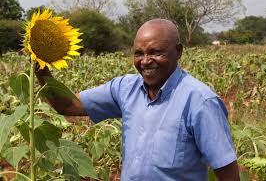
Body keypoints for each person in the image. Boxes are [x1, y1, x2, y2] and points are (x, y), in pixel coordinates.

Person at [36, 19, 240, 181]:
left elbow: (227, 172)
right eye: (138, 53)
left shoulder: (199, 101)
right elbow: (68, 105)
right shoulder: (125, 88)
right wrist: (40, 62)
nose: (145, 61)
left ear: (178, 51)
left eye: (155, 52)